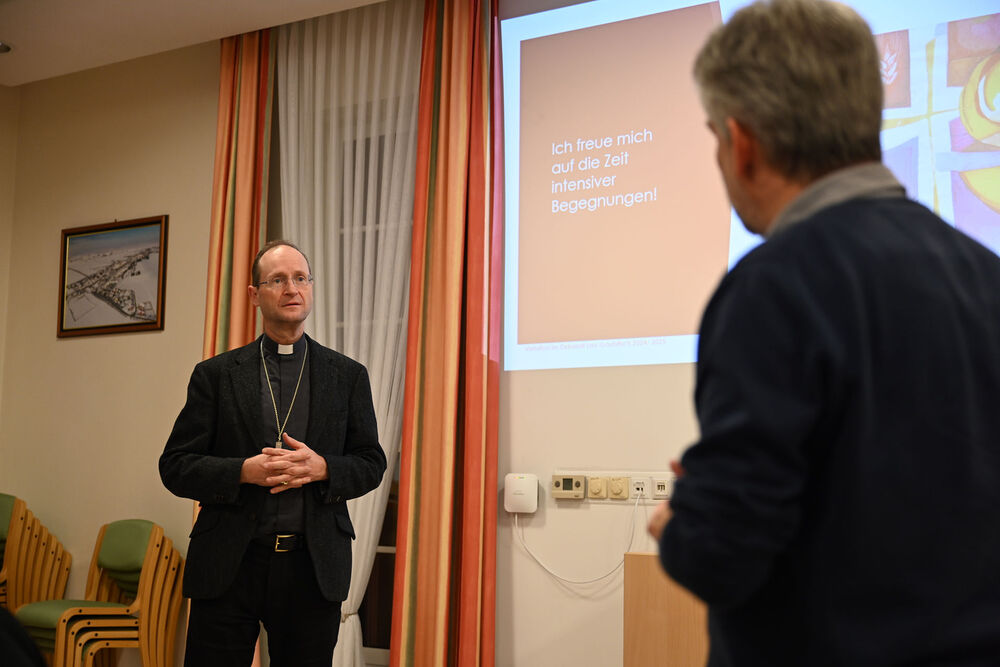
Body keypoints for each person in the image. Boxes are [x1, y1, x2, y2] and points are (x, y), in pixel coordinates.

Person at [646, 1, 1000, 665]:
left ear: (741, 143)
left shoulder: (774, 287)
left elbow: (722, 557)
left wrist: (684, 521)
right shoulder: (987, 274)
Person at [160, 240, 386, 667]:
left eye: (301, 278)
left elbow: (372, 463)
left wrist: (323, 468)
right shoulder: (216, 375)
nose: (292, 289)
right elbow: (175, 466)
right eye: (278, 280)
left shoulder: (347, 376)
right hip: (230, 564)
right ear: (254, 295)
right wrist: (242, 472)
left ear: (311, 288)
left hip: (311, 567)